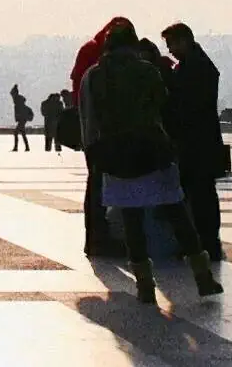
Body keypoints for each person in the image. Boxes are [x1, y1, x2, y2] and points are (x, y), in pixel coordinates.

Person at [79, 21, 223, 304]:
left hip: (117, 156)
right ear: (133, 45)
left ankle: (144, 284)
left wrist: (95, 152)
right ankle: (202, 275)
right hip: (152, 151)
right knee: (177, 213)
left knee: (132, 221)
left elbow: (89, 119)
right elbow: (163, 104)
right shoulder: (147, 71)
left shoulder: (93, 76)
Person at [161, 22, 225, 263]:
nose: (170, 50)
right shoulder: (196, 64)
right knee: (201, 194)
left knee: (201, 195)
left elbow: (188, 105)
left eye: (171, 45)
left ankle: (206, 242)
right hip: (200, 141)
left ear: (183, 41)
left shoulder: (195, 68)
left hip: (196, 142)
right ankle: (205, 241)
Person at [71, 16, 133, 256]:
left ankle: (98, 237)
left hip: (93, 133)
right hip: (105, 133)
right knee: (106, 185)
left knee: (97, 184)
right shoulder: (104, 65)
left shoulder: (90, 54)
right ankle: (108, 237)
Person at [10, 84, 34, 152]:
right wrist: (15, 88)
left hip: (22, 121)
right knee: (23, 134)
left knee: (16, 133)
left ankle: (16, 147)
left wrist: (15, 89)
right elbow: (13, 94)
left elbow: (13, 95)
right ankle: (26, 147)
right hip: (22, 121)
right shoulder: (22, 106)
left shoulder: (20, 106)